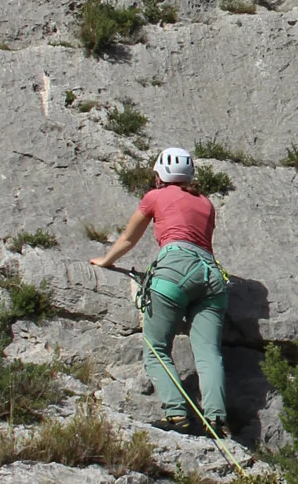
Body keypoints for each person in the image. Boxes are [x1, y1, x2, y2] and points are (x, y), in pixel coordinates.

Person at [89, 147, 229, 435]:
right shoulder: (206, 203)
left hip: (173, 270)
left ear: (159, 175)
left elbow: (129, 237)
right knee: (209, 352)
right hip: (211, 277)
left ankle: (177, 414)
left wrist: (105, 261)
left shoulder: (155, 196)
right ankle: (215, 419)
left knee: (156, 348)